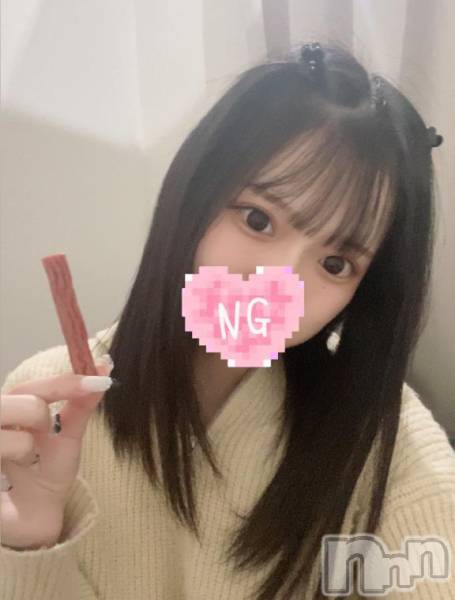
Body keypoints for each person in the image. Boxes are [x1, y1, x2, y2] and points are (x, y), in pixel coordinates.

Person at [1, 41, 454, 600]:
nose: (277, 283)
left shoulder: (384, 435)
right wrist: (29, 547)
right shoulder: (44, 407)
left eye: (336, 264)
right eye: (257, 220)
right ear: (194, 196)